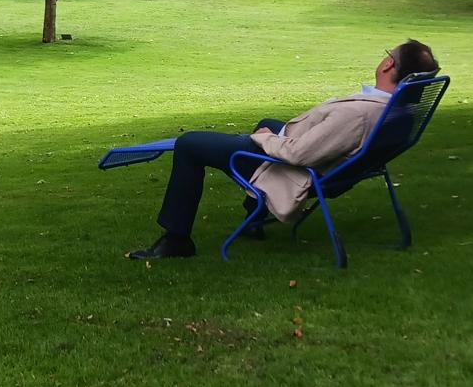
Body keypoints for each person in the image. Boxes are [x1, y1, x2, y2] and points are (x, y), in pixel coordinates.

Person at [125, 39, 440, 260]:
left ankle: (177, 240)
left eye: (387, 54)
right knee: (267, 122)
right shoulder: (400, 112)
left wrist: (264, 139)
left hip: (290, 170)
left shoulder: (361, 113)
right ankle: (254, 221)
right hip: (329, 168)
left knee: (190, 144)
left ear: (388, 64)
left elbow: (298, 154)